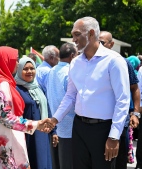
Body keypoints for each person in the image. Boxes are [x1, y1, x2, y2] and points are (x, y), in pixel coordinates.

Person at [45, 16, 130, 169]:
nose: (73, 39)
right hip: (79, 128)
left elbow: (122, 100)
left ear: (91, 33)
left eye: (77, 34)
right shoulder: (75, 63)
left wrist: (114, 136)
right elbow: (70, 95)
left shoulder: (114, 61)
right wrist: (54, 119)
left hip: (104, 130)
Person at [0, 46, 51, 169]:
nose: (17, 63)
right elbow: (6, 117)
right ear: (5, 61)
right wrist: (35, 124)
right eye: (15, 59)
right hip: (6, 143)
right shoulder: (1, 84)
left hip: (2, 139)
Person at [99, 31, 140, 169]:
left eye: (102, 42)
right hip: (98, 123)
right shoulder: (91, 62)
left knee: (118, 161)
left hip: (120, 122)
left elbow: (134, 88)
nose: (99, 45)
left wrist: (135, 112)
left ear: (111, 44)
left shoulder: (123, 62)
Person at [15, 57, 56, 169]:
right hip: (28, 135)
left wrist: (54, 131)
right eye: (25, 69)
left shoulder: (38, 87)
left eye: (32, 68)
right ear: (19, 71)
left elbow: (47, 108)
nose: (29, 71)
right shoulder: (16, 89)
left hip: (43, 134)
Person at [46, 42, 78, 169]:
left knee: (58, 163)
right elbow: (71, 99)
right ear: (72, 55)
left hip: (56, 124)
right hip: (70, 125)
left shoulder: (52, 70)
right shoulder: (70, 72)